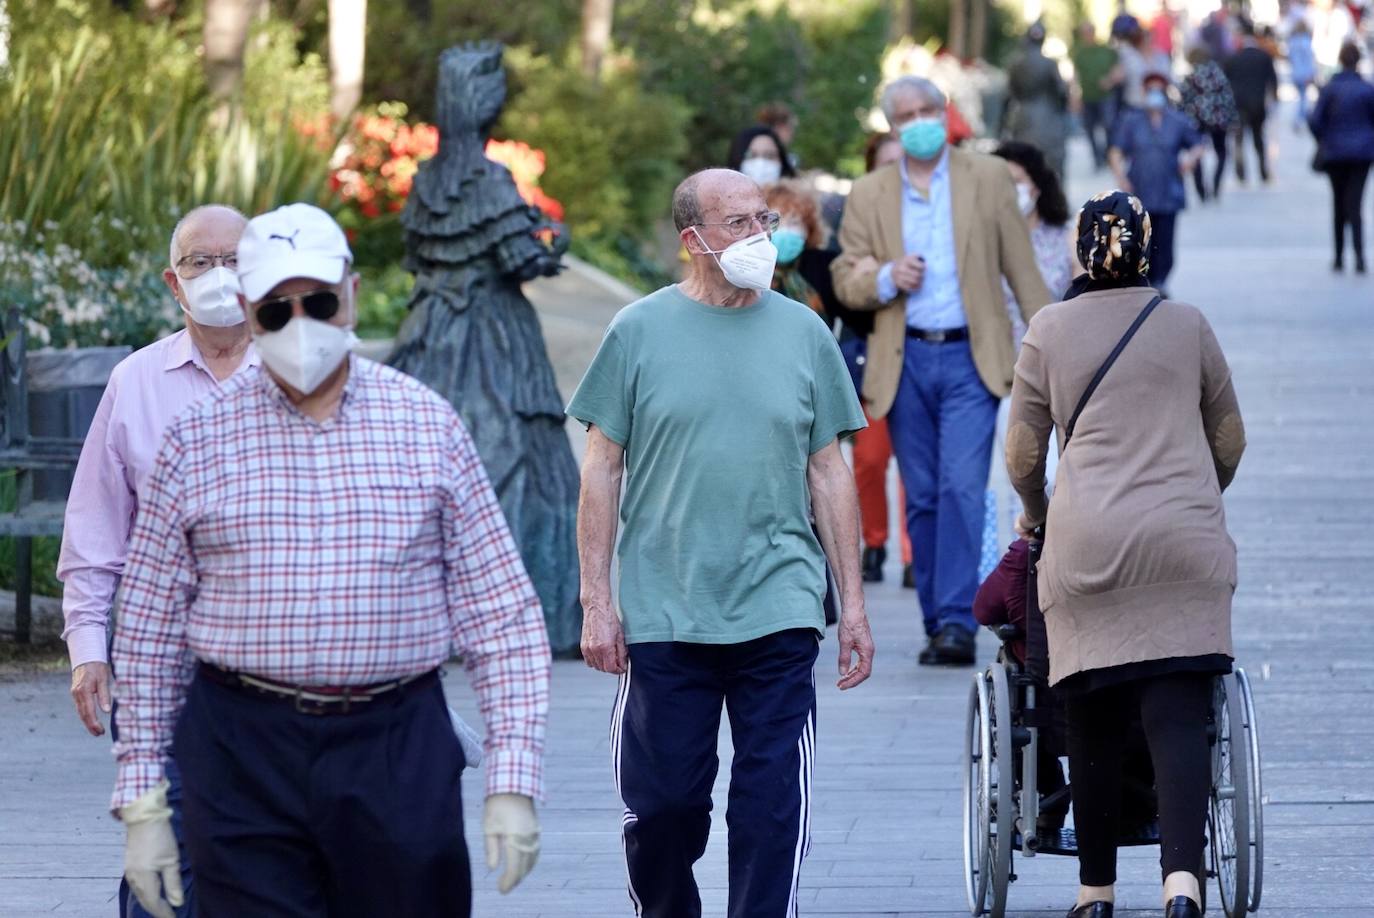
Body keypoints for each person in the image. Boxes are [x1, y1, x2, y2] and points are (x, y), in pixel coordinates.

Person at [109, 203, 551, 918]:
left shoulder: (425, 425)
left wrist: (512, 775)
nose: (300, 324)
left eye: (316, 302)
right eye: (275, 310)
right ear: (248, 314)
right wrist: (143, 802)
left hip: (395, 743)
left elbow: (499, 612)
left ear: (350, 293)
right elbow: (150, 631)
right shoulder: (195, 440)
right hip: (241, 748)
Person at [570, 168, 875, 917]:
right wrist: (596, 601)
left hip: (780, 602)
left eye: (764, 220)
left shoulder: (804, 332)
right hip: (665, 608)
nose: (759, 236)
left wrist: (855, 607)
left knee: (770, 805)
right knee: (665, 807)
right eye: (738, 224)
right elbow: (601, 468)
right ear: (693, 240)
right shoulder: (637, 331)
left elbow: (829, 471)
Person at [1006, 189, 1245, 918]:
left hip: (1088, 542)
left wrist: (1037, 514)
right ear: (1146, 246)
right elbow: (1229, 438)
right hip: (1183, 541)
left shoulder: (1048, 330)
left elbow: (1023, 454)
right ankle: (1182, 884)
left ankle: (1096, 890)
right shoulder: (1186, 323)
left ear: (1082, 251)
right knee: (1179, 711)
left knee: (1093, 712)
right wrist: (1197, 491)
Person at [57, 204, 253, 918]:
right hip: (161, 664)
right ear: (175, 283)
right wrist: (88, 650)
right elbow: (94, 527)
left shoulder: (303, 377)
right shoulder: (135, 382)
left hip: (283, 669)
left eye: (234, 260)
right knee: (165, 861)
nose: (218, 275)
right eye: (200, 262)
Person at [831, 75, 1051, 666]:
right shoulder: (870, 192)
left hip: (971, 357)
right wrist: (886, 277)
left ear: (945, 111)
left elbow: (1022, 269)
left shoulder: (988, 177)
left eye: (928, 109)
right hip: (903, 360)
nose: (920, 121)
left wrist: (1055, 346)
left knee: (960, 486)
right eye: (907, 114)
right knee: (923, 496)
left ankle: (956, 620)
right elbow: (846, 277)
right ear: (892, 125)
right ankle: (936, 617)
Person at [842, 134, 913, 586]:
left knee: (914, 465)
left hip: (920, 354)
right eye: (885, 163)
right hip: (870, 356)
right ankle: (874, 540)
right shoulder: (856, 219)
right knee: (869, 459)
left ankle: (913, 553)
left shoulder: (930, 215)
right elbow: (845, 287)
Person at [1109, 71, 1205, 295]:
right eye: (1150, 89)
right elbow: (1115, 151)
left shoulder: (1177, 121)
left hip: (1168, 190)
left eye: (1158, 89)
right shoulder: (1131, 121)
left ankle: (1160, 281)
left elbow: (1198, 143)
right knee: (1140, 240)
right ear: (1143, 92)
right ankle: (1143, 280)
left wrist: (1190, 160)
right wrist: (1121, 177)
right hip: (1139, 189)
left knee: (1165, 241)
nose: (1155, 94)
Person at [993, 141, 1077, 348]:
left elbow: (1083, 305)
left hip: (1053, 351)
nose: (1009, 191)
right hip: (999, 357)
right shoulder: (985, 241)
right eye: (1001, 184)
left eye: (1016, 182)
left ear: (1037, 186)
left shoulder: (1067, 239)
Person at [1309, 41, 1374, 274]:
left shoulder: (1330, 89)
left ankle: (1338, 256)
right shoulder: (1366, 89)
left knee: (1338, 203)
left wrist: (1325, 139)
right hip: (1361, 154)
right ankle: (1359, 257)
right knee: (1355, 204)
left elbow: (1315, 121)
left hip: (1336, 152)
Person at [1006, 21, 1071, 180]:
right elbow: (1062, 92)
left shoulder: (1015, 64)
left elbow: (1010, 93)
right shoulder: (1050, 64)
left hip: (1023, 118)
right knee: (1053, 166)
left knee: (1025, 166)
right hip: (1049, 119)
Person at [1180, 46, 1239, 202]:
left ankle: (1201, 189)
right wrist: (1233, 119)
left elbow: (1183, 102)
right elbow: (1228, 99)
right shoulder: (1219, 75)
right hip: (1219, 120)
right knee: (1221, 152)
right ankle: (1216, 184)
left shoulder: (1191, 77)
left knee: (1196, 153)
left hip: (1197, 120)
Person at [1223, 20, 1279, 184]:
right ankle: (1263, 171)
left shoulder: (1234, 58)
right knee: (1258, 138)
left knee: (1239, 139)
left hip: (1239, 104)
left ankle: (1241, 172)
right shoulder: (1264, 57)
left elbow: (1225, 82)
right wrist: (1274, 98)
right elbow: (1273, 80)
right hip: (1258, 103)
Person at [1072, 22, 1122, 170]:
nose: (1087, 35)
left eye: (1089, 32)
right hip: (1088, 97)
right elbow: (1075, 76)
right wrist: (1075, 96)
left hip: (1105, 96)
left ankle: (1109, 156)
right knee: (1089, 128)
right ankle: (1097, 158)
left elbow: (1117, 69)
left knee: (1109, 125)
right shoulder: (1079, 54)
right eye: (1084, 33)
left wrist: (1109, 81)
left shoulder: (1106, 51)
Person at [725, 124, 797, 188]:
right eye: (752, 156)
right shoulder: (720, 197)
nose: (760, 163)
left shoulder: (798, 197)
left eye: (769, 156)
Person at [1287, 19, 1318, 129]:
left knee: (1301, 97)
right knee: (1303, 97)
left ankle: (1299, 118)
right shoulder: (1305, 42)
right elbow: (1309, 59)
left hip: (1296, 73)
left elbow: (1290, 58)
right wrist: (1312, 73)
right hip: (1304, 74)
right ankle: (1300, 119)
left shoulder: (1293, 42)